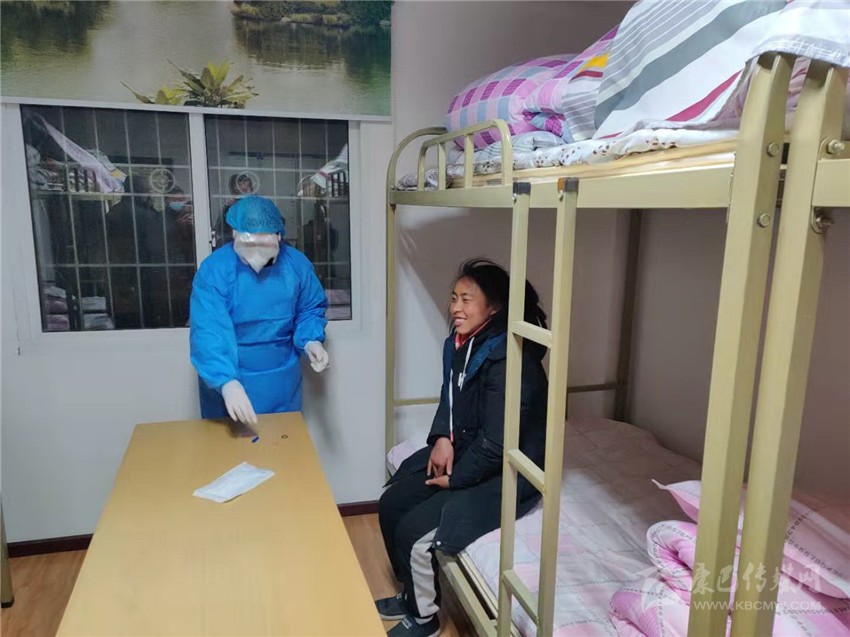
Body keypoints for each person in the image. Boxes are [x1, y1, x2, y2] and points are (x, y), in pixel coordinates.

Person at [377, 259, 549, 637]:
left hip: (506, 470)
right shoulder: (461, 344)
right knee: (391, 504)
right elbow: (450, 398)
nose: (455, 307)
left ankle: (425, 619)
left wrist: (455, 480)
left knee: (415, 531)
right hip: (469, 447)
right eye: (454, 298)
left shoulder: (511, 361)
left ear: (494, 307)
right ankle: (412, 594)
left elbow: (498, 444)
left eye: (466, 300)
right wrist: (442, 436)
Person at [189, 195, 330, 425]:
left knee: (282, 441)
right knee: (228, 446)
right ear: (234, 234)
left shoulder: (296, 265)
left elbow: (309, 308)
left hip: (281, 380)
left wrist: (311, 341)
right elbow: (208, 330)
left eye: (264, 245)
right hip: (230, 376)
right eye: (249, 244)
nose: (256, 253)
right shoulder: (215, 271)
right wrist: (226, 383)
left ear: (278, 236)